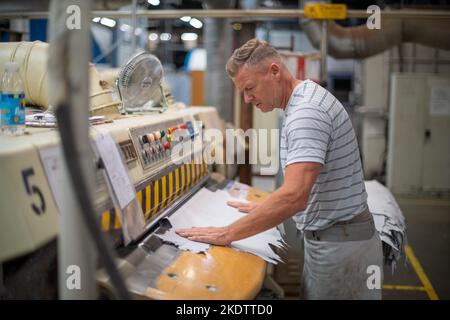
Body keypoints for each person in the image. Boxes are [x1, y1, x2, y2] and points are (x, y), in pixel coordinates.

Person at [176, 38, 383, 300]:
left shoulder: (306, 112)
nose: (247, 98)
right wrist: (267, 206)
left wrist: (227, 233)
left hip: (341, 248)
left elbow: (295, 196)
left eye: (250, 88)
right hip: (336, 240)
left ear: (274, 71)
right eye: (242, 91)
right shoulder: (302, 100)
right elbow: (300, 188)